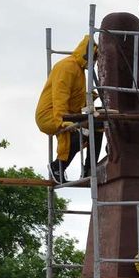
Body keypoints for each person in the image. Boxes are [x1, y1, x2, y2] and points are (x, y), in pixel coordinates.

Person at [35, 34, 103, 183]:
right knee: (87, 129)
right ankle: (58, 166)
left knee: (99, 124)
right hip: (50, 114)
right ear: (87, 54)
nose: (96, 62)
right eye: (95, 57)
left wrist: (91, 97)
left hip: (66, 114)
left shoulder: (79, 70)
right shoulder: (67, 67)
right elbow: (60, 96)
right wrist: (62, 120)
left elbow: (76, 98)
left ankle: (89, 169)